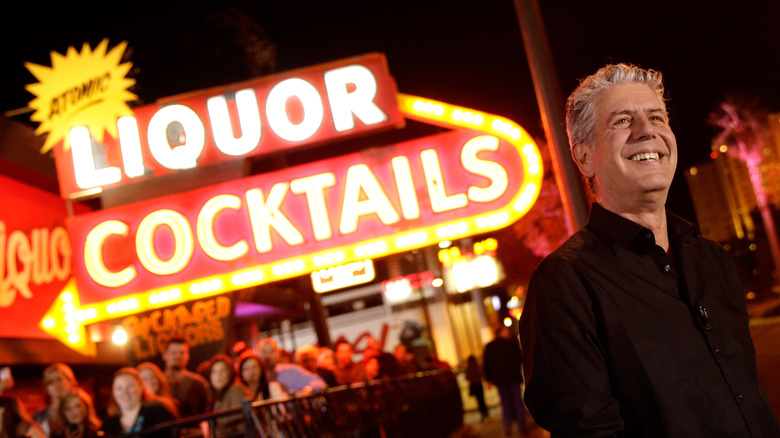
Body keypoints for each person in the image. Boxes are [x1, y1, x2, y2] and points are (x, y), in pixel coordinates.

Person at [519, 63, 780, 437]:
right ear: (584, 158)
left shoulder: (712, 259)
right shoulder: (564, 284)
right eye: (622, 121)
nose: (647, 131)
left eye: (656, 116)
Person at [99, 368, 178, 438]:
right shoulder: (108, 425)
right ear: (114, 393)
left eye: (130, 386)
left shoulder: (157, 412)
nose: (125, 392)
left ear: (141, 388)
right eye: (119, 388)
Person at [483, 326, 527, 436]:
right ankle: (522, 426)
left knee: (505, 403)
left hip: (500, 380)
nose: (507, 333)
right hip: (513, 378)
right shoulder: (511, 344)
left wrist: (489, 379)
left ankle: (508, 426)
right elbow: (519, 358)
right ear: (501, 332)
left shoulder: (490, 346)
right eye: (506, 331)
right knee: (518, 402)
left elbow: (487, 364)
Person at [258, 337, 327, 396]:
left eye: (272, 351)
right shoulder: (257, 378)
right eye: (264, 351)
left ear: (278, 353)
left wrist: (307, 391)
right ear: (259, 354)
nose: (268, 356)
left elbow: (319, 382)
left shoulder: (291, 371)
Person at [162, 336, 211, 418]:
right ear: (164, 355)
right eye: (173, 353)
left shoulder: (199, 384)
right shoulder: (157, 383)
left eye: (182, 353)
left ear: (188, 356)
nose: (178, 356)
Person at [208, 355, 252, 438]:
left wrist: (210, 431)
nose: (218, 375)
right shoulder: (216, 397)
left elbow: (236, 419)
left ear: (230, 372)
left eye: (223, 370)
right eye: (214, 372)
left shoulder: (236, 388)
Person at [33, 363, 79, 437]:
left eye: (59, 379)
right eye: (50, 382)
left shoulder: (80, 410)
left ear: (70, 381)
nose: (55, 384)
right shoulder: (39, 416)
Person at [465, 355, 489, 422]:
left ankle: (484, 414)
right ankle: (485, 414)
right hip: (478, 385)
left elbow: (467, 377)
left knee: (479, 401)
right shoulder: (477, 366)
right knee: (482, 400)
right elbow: (482, 374)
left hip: (474, 385)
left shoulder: (469, 368)